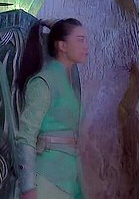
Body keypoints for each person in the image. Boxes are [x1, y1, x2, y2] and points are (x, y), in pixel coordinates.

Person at [15, 18, 88, 199]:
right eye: (80, 40)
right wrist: (28, 186)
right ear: (62, 46)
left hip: (70, 178)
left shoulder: (69, 84)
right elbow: (26, 135)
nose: (86, 46)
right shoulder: (43, 82)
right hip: (47, 178)